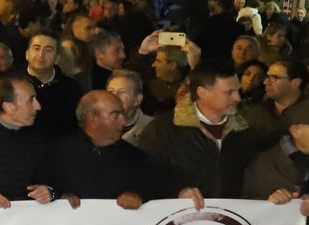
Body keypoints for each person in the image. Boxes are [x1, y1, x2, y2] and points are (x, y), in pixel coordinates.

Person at [49, 91, 203, 210]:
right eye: (115, 115)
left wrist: (140, 195)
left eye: (122, 114)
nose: (123, 121)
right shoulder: (58, 153)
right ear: (92, 118)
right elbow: (39, 189)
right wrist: (58, 196)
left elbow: (161, 184)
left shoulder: (134, 157)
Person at [135, 65, 254, 199]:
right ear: (202, 93)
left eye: (238, 91)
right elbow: (145, 176)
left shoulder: (244, 129)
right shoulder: (161, 130)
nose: (237, 98)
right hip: (181, 215)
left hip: (231, 216)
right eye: (229, 92)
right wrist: (178, 191)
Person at [0, 76, 57, 208]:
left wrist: (51, 191)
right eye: (31, 100)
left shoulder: (43, 136)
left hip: (35, 220)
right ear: (8, 107)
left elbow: (59, 178)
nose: (38, 106)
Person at [24, 31, 82, 138]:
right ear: (27, 54)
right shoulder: (13, 84)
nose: (41, 54)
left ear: (57, 58)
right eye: (36, 48)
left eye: (48, 50)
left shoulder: (71, 87)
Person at [107, 69, 153, 145]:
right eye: (110, 91)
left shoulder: (153, 128)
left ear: (137, 99)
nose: (114, 96)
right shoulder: (95, 125)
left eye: (122, 92)